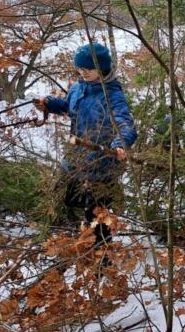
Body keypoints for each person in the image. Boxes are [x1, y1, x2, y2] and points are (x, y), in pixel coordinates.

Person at [33, 42, 137, 247]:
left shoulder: (112, 95)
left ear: (101, 68)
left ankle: (102, 259)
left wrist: (120, 144)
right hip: (75, 157)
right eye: (79, 68)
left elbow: (125, 123)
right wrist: (49, 104)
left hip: (101, 163)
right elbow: (67, 107)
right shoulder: (78, 86)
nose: (82, 72)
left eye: (87, 69)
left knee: (98, 216)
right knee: (66, 197)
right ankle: (77, 239)